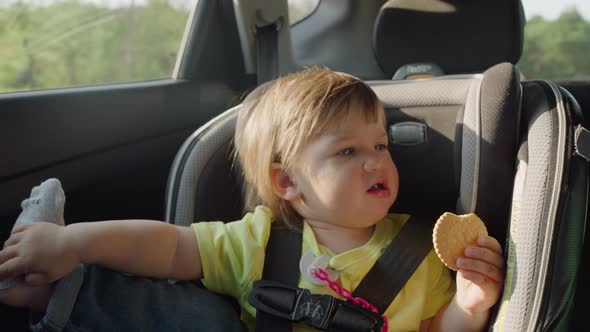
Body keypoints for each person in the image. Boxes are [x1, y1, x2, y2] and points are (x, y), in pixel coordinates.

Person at [0, 67, 504, 331]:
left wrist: (470, 304)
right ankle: (59, 288)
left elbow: (440, 330)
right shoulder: (261, 241)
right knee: (196, 317)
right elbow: (169, 248)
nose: (376, 161)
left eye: (380, 146)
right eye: (347, 151)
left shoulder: (423, 251)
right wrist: (77, 242)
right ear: (287, 183)